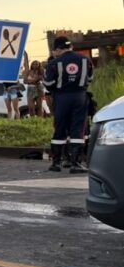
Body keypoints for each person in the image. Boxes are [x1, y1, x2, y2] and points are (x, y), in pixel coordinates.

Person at [43, 36, 94, 173]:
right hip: (80, 97)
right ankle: (75, 163)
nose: (54, 53)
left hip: (61, 98)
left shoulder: (54, 63)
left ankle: (56, 163)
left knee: (60, 128)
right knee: (78, 129)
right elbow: (89, 79)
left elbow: (48, 84)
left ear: (58, 49)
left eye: (54, 50)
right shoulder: (85, 60)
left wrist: (57, 90)